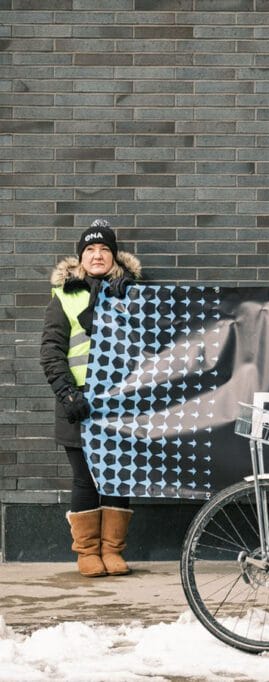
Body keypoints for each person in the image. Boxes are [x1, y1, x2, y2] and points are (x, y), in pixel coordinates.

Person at [40, 220, 142, 577]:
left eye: (104, 250)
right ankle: (86, 552)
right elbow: (51, 350)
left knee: (117, 476)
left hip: (119, 404)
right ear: (81, 257)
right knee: (85, 479)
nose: (97, 255)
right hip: (79, 403)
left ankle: (112, 550)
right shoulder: (64, 296)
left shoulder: (133, 293)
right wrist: (68, 393)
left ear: (114, 255)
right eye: (90, 250)